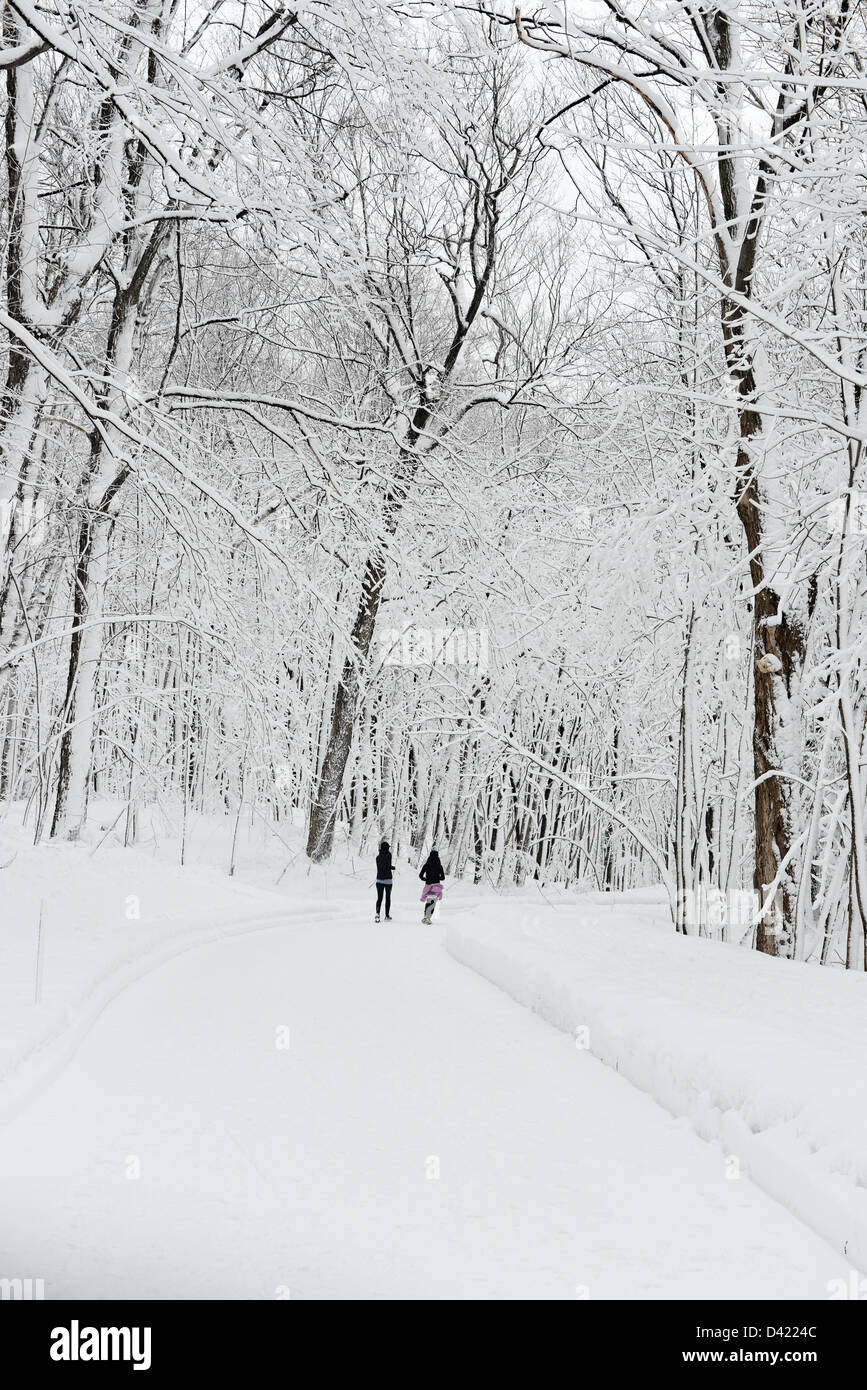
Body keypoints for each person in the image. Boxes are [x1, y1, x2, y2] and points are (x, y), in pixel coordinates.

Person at [419, 847, 445, 923]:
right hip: (436, 886)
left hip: (428, 886)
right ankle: (428, 918)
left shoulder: (426, 865)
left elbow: (420, 876)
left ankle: (425, 916)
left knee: (428, 901)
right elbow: (443, 878)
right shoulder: (439, 866)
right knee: (433, 902)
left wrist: (426, 879)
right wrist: (437, 877)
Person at [375, 840, 394, 922]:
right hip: (388, 880)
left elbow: (381, 867)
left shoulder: (377, 857)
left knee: (379, 898)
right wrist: (392, 867)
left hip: (379, 880)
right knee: (388, 898)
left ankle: (377, 914)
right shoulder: (389, 855)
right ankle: (387, 915)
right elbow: (388, 866)